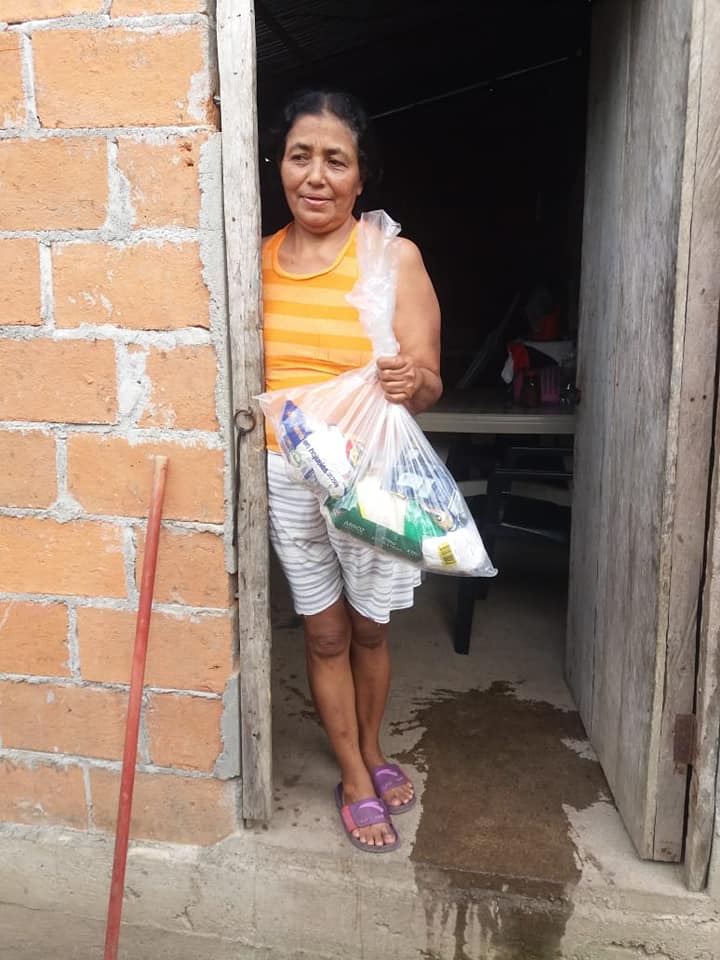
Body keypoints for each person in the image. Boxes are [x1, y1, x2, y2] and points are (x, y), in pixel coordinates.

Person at [262, 88, 442, 852]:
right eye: (300, 156)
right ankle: (353, 775)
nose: (316, 175)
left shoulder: (391, 257)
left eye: (336, 160)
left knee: (370, 627)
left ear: (361, 176)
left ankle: (371, 745)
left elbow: (429, 381)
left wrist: (411, 380)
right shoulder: (253, 263)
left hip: (369, 474)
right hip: (287, 476)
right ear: (279, 165)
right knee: (326, 632)